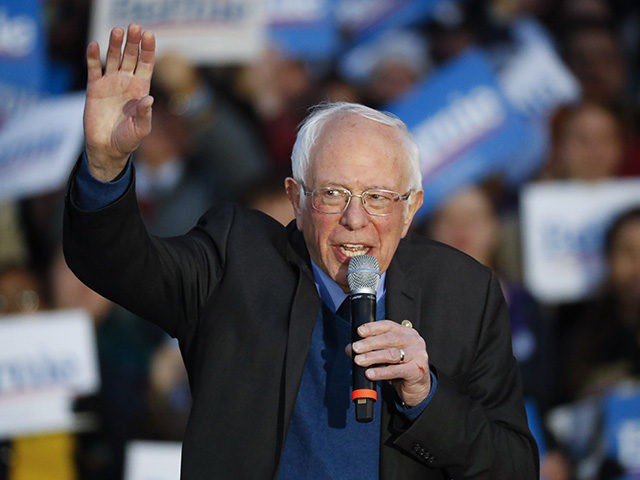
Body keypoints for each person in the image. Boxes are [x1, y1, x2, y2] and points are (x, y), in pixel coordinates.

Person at [63, 24, 538, 479]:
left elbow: (513, 468)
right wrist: (105, 166)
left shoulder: (463, 293)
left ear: (411, 207)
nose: (356, 219)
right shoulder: (237, 259)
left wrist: (426, 396)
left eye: (377, 197)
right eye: (333, 194)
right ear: (296, 199)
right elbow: (116, 264)